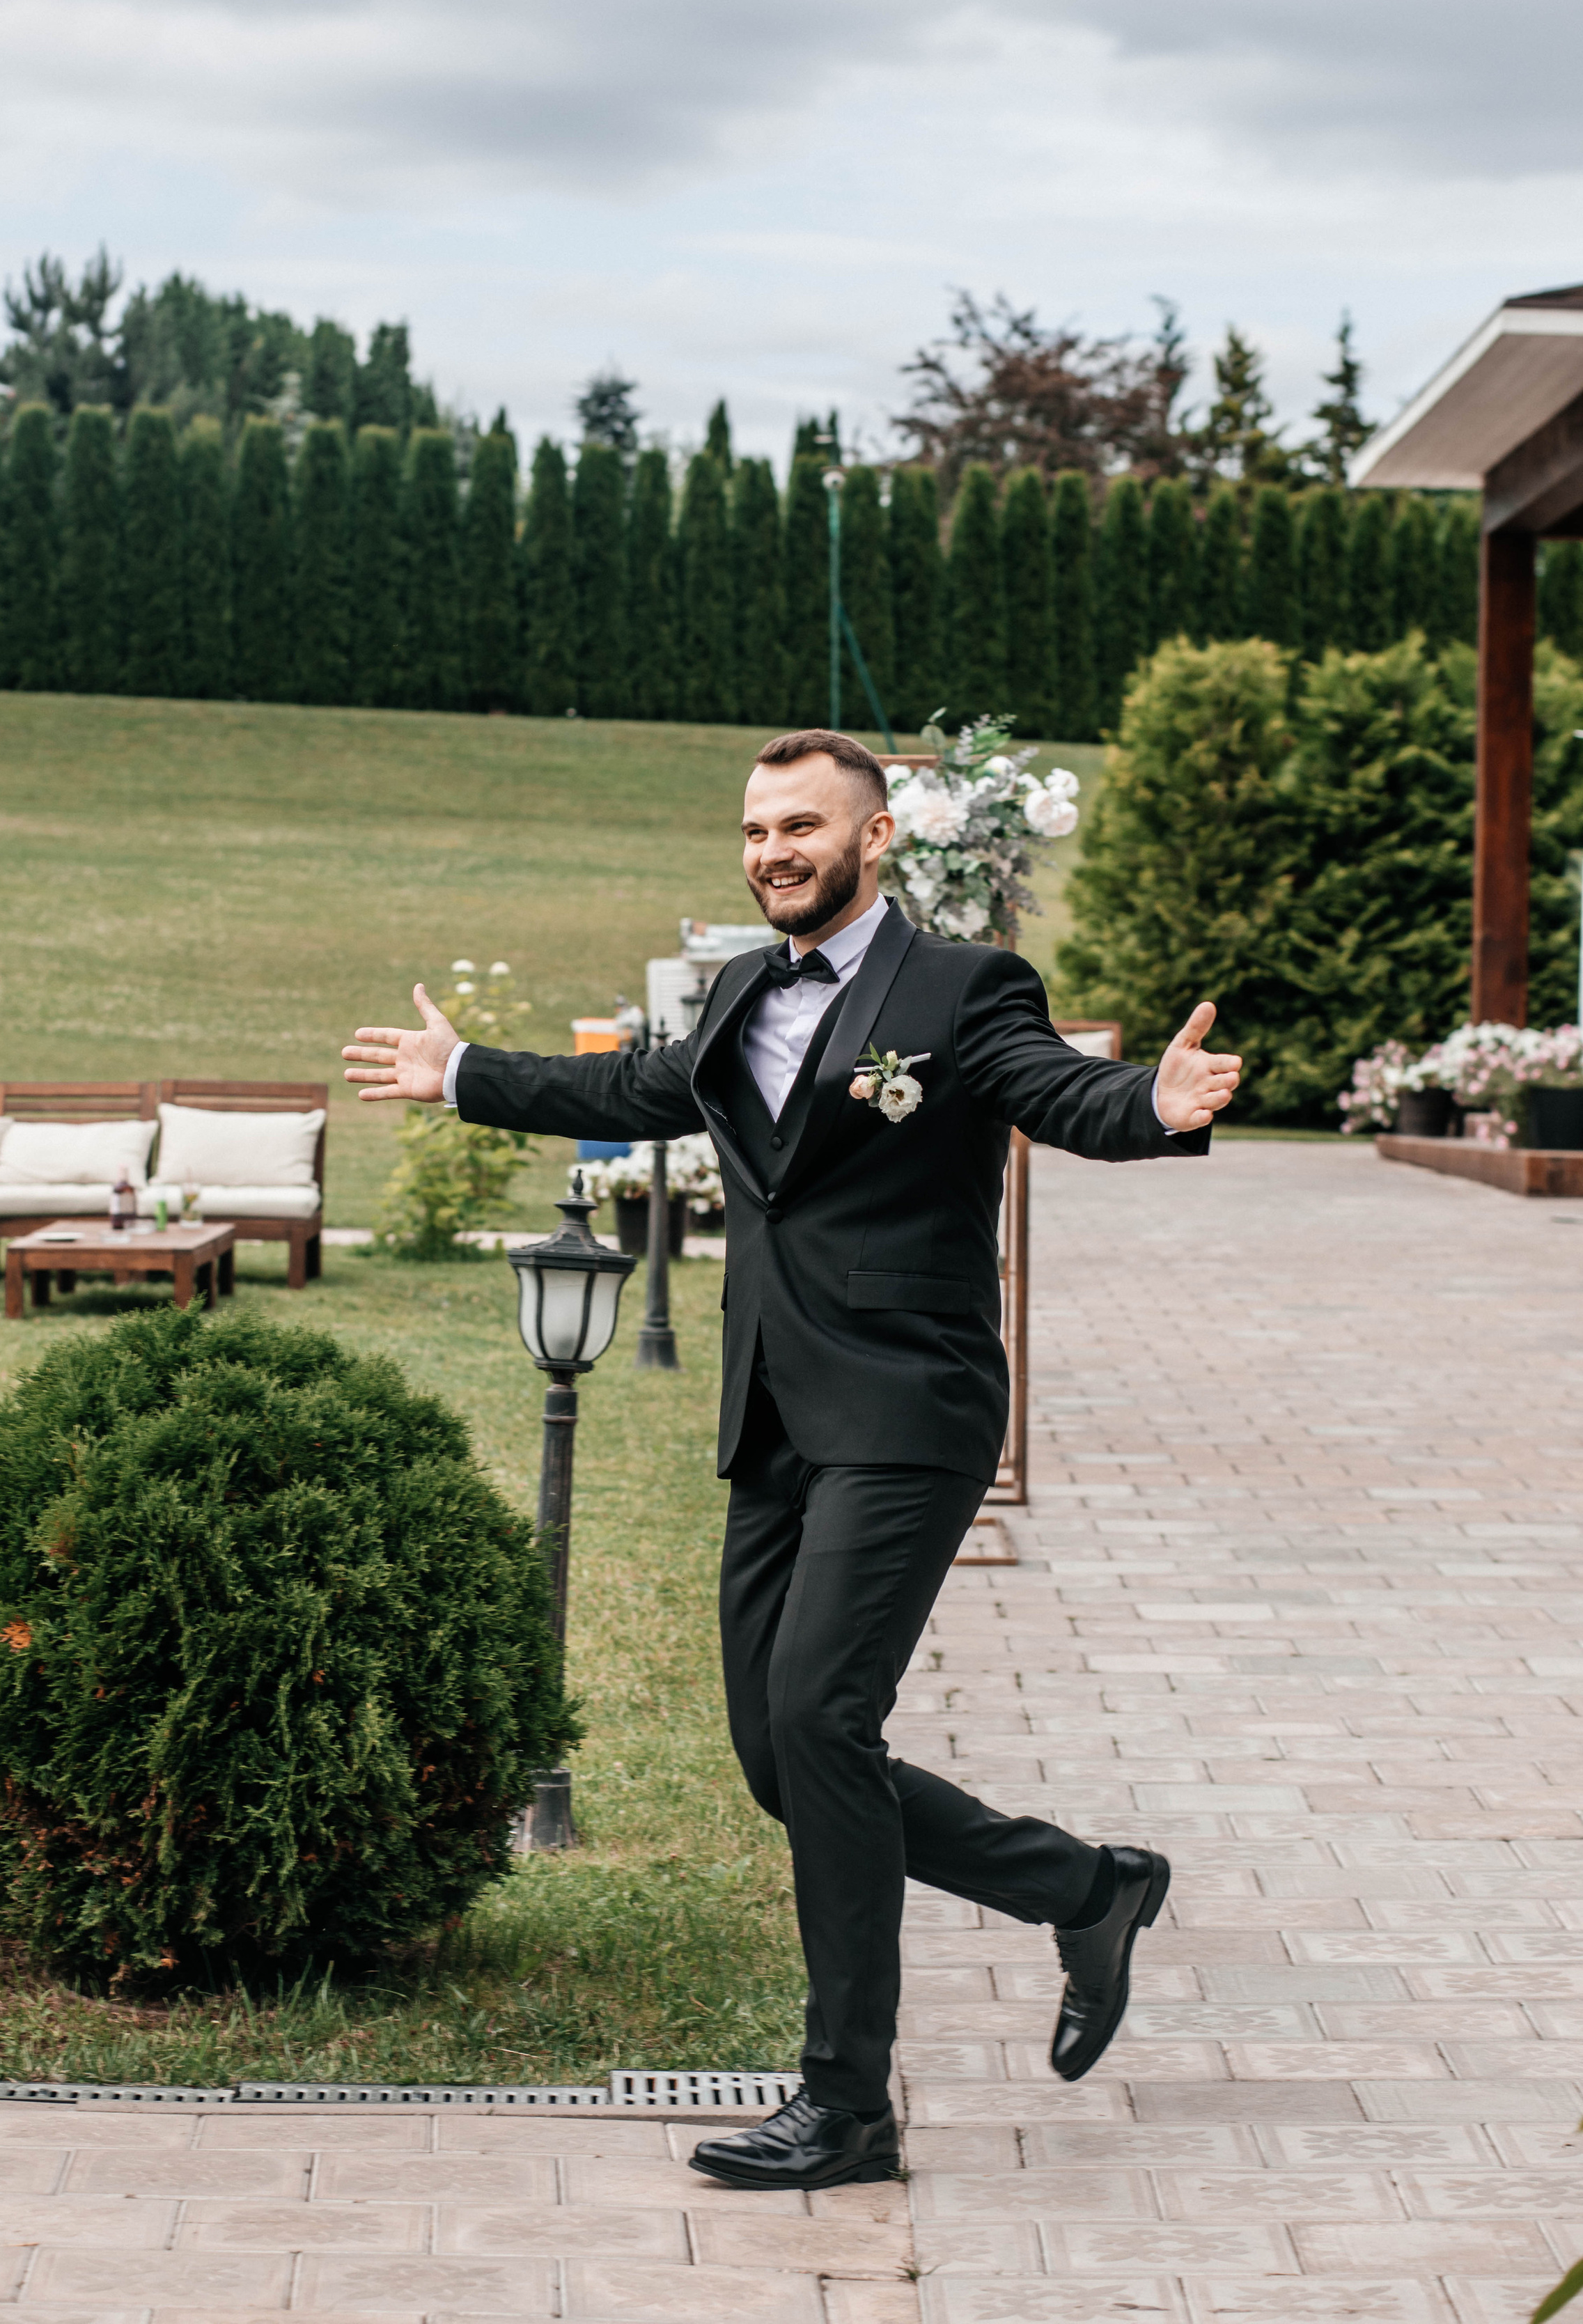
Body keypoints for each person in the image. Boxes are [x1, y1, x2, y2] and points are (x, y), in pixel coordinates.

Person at [343, 727, 1241, 2193]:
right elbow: (641, 1091)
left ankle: (845, 2105)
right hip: (772, 1420)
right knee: (781, 1759)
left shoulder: (959, 988)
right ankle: (1085, 1888)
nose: (773, 850)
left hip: (905, 1411)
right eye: (757, 829)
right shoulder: (743, 989)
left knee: (822, 1722)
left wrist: (1146, 1104)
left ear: (872, 838)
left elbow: (1045, 1089)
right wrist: (463, 1076)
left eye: (803, 826)